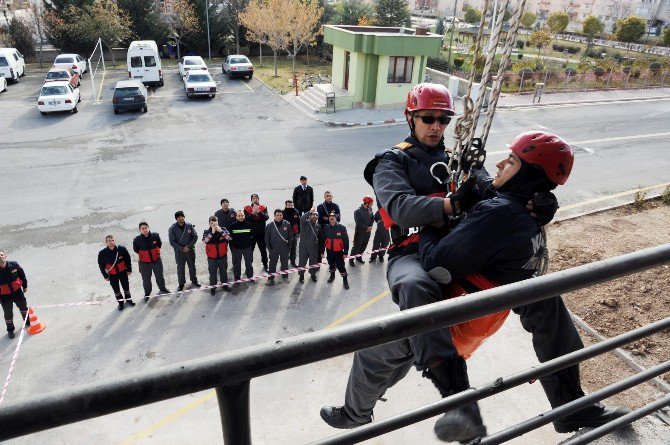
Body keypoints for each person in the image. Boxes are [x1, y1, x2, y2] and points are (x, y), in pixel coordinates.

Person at [133, 222, 170, 301]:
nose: (145, 230)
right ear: (140, 230)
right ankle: (147, 293)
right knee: (146, 279)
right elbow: (136, 250)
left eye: (146, 228)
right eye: (142, 228)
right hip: (144, 263)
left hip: (156, 261)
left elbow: (159, 245)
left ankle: (162, 288)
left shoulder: (155, 236)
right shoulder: (137, 240)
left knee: (159, 276)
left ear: (148, 228)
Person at [98, 235, 135, 311]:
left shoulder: (121, 249)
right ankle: (121, 303)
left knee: (126, 287)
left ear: (115, 240)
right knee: (116, 290)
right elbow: (101, 266)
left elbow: (128, 259)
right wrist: (105, 276)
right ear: (106, 242)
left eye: (112, 240)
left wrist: (129, 269)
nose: (111, 242)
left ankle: (128, 299)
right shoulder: (102, 253)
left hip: (123, 272)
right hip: (112, 275)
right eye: (109, 241)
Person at [0, 250, 29, 339]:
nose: (0, 257)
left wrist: (24, 286)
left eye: (1, 255)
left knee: (24, 307)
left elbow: (22, 274)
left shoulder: (14, 265)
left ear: (5, 256)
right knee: (8, 313)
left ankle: (27, 322)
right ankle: (10, 330)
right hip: (4, 296)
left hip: (17, 292)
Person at [168, 211, 200, 291]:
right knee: (180, 268)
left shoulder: (189, 226)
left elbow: (195, 237)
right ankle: (181, 284)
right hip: (179, 252)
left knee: (192, 266)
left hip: (190, 250)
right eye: (178, 217)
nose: (180, 218)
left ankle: (194, 280)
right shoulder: (172, 228)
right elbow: (172, 242)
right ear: (176, 219)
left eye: (182, 216)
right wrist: (182, 248)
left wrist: (188, 247)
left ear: (184, 217)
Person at [203, 216, 232, 295]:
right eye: (211, 223)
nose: (213, 224)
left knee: (223, 272)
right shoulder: (207, 231)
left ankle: (225, 285)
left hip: (222, 256)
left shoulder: (223, 229)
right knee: (212, 274)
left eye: (215, 222)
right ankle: (213, 288)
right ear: (209, 223)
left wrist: (221, 231)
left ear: (217, 222)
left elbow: (229, 238)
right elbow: (205, 241)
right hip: (212, 258)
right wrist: (212, 233)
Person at [321, 211, 349, 290]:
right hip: (329, 251)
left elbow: (346, 241)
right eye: (330, 217)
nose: (331, 218)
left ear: (336, 218)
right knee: (331, 264)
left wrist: (346, 252)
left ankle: (345, 280)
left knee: (341, 267)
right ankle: (332, 276)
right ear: (329, 219)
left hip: (339, 252)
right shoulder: (326, 228)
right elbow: (323, 240)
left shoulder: (342, 228)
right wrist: (322, 252)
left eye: (333, 217)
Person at [265, 209, 293, 286]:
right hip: (274, 248)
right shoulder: (270, 225)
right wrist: (269, 249)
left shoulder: (287, 224)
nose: (279, 217)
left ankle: (285, 275)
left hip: (284, 248)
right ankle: (270, 278)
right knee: (272, 264)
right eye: (277, 215)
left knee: (284, 263)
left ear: (282, 215)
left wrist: (289, 247)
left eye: (280, 215)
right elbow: (267, 238)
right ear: (274, 216)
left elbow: (290, 236)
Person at [229, 210, 255, 287]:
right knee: (237, 264)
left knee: (249, 264)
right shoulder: (232, 226)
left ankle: (250, 277)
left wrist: (249, 243)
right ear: (236, 217)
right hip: (237, 249)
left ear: (244, 216)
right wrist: (234, 245)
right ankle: (237, 279)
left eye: (242, 215)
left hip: (247, 248)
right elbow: (229, 237)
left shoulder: (249, 225)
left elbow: (253, 235)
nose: (240, 217)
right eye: (239, 216)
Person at [244, 194, 270, 272]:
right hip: (251, 234)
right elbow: (246, 220)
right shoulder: (247, 208)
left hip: (261, 233)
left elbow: (266, 218)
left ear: (258, 199)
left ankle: (265, 265)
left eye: (256, 198)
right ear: (251, 200)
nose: (255, 199)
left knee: (263, 251)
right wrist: (252, 213)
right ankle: (249, 267)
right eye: (253, 198)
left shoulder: (263, 207)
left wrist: (259, 212)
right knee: (250, 251)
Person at [349, 196, 375, 267]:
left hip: (368, 231)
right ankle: (351, 259)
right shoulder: (357, 212)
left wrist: (370, 226)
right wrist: (367, 227)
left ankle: (359, 257)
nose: (372, 204)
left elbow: (372, 218)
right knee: (357, 246)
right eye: (371, 203)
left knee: (364, 245)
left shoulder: (370, 209)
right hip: (360, 232)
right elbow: (358, 223)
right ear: (367, 203)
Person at [297, 208, 321, 284]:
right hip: (303, 247)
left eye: (316, 215)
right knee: (302, 262)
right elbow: (302, 218)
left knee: (313, 262)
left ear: (318, 217)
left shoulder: (318, 226)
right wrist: (309, 211)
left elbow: (320, 238)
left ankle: (313, 274)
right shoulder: (305, 223)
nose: (315, 216)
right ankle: (301, 275)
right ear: (310, 216)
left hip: (313, 247)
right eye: (313, 214)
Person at [282, 200, 301, 267]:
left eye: (291, 205)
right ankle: (284, 262)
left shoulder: (296, 212)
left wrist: (299, 232)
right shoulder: (282, 213)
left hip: (294, 233)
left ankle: (293, 261)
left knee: (293, 248)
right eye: (288, 205)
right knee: (285, 249)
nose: (290, 206)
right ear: (286, 205)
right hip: (285, 234)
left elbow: (299, 223)